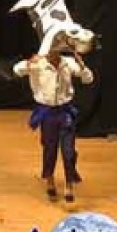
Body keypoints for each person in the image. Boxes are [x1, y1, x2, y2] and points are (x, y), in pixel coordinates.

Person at [13, 51, 94, 203]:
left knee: (69, 151)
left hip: (65, 112)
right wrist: (29, 63)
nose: (53, 50)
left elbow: (88, 79)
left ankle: (69, 185)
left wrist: (82, 66)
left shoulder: (68, 62)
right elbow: (17, 70)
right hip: (47, 113)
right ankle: (50, 179)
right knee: (49, 149)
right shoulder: (39, 63)